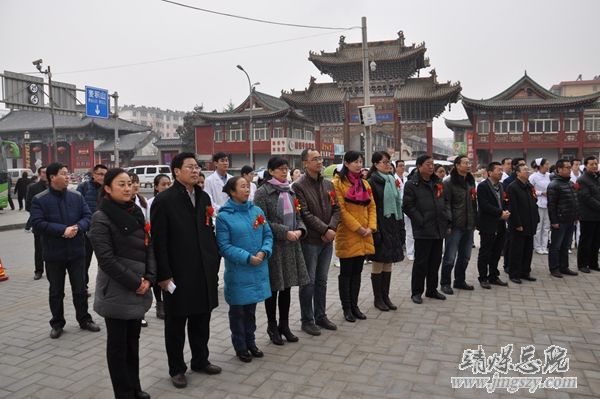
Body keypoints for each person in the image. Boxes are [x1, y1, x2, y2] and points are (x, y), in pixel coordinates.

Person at [151, 152, 222, 389]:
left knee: (202, 318)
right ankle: (177, 368)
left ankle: (200, 360)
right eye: (190, 167)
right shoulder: (164, 200)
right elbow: (158, 242)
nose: (195, 170)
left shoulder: (203, 198)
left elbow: (207, 230)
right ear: (176, 171)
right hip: (178, 273)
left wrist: (213, 260)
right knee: (176, 323)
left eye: (197, 166)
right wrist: (163, 275)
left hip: (203, 269)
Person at [88, 168, 154, 399]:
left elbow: (149, 246)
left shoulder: (136, 211)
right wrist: (136, 282)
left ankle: (135, 387)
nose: (127, 188)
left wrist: (150, 278)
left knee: (132, 343)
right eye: (121, 184)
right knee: (118, 347)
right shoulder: (101, 217)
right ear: (107, 188)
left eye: (129, 183)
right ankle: (123, 393)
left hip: (140, 287)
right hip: (117, 290)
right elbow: (106, 259)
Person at [30, 162, 100, 339]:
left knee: (80, 289)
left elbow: (88, 216)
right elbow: (37, 224)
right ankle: (57, 323)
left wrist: (77, 227)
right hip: (54, 254)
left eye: (67, 173)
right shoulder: (40, 199)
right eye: (63, 173)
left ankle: (84, 319)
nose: (68, 176)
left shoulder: (76, 196)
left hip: (77, 251)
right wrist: (62, 230)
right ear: (52, 177)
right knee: (56, 291)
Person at [215, 176, 273, 363]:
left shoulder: (257, 211)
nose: (247, 190)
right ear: (232, 192)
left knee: (251, 310)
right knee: (238, 311)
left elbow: (268, 234)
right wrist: (247, 257)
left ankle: (251, 342)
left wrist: (265, 251)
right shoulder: (224, 217)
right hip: (239, 272)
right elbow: (224, 246)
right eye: (242, 187)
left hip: (258, 269)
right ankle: (240, 346)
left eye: (248, 186)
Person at [254, 156, 309, 343]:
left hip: (292, 245)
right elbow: (262, 221)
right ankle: (271, 326)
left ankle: (284, 325)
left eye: (286, 168)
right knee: (274, 288)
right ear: (270, 171)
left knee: (287, 287)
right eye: (280, 169)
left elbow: (298, 214)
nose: (284, 172)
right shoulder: (262, 192)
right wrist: (286, 232)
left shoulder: (290, 191)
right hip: (274, 246)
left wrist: (301, 229)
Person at [293, 149, 340, 335]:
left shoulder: (328, 184)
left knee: (322, 280)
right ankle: (307, 319)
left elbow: (337, 209)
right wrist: (325, 230)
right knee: (309, 282)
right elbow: (304, 213)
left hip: (327, 241)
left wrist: (332, 229)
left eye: (320, 158)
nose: (319, 162)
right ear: (305, 163)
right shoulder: (298, 186)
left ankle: (321, 315)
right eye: (315, 159)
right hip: (311, 241)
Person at [332, 151, 376, 321]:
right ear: (346, 163)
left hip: (365, 233)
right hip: (348, 233)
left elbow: (372, 207)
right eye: (355, 162)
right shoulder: (338, 183)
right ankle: (347, 308)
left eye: (360, 161)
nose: (358, 164)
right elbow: (341, 210)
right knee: (346, 272)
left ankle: (355, 306)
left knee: (357, 272)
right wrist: (358, 228)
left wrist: (370, 227)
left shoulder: (364, 183)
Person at [403, 154, 449, 304]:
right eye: (428, 164)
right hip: (423, 230)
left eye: (432, 164)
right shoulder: (412, 184)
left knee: (435, 261)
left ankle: (432, 290)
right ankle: (416, 292)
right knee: (421, 263)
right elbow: (408, 206)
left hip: (438, 228)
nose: (431, 166)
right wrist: (421, 221)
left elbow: (445, 202)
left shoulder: (438, 182)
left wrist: (446, 220)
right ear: (419, 166)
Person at [367, 151, 404, 311]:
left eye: (389, 162)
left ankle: (385, 296)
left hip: (392, 225)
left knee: (388, 262)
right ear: (375, 164)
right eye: (384, 162)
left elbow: (398, 205)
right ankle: (378, 298)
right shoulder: (371, 182)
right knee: (378, 261)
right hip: (379, 226)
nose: (388, 165)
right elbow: (371, 208)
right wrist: (376, 229)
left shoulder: (391, 180)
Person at [440, 155, 477, 295]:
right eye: (465, 163)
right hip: (455, 225)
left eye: (469, 162)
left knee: (465, 256)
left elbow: (474, 203)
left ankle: (460, 280)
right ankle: (445, 283)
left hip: (469, 224)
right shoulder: (448, 182)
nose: (468, 165)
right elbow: (446, 204)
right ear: (457, 165)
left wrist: (475, 220)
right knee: (450, 256)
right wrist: (449, 223)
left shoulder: (470, 181)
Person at [476, 162, 510, 289]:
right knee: (485, 252)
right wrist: (500, 213)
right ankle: (483, 277)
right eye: (498, 170)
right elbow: (484, 205)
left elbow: (504, 201)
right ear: (490, 172)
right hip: (488, 224)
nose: (501, 172)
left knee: (496, 252)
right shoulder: (483, 186)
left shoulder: (501, 186)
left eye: (502, 170)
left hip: (500, 223)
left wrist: (506, 211)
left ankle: (493, 276)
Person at [77, 164, 108, 294]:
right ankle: (83, 286)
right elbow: (77, 208)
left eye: (105, 175)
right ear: (93, 174)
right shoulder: (83, 187)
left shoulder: (108, 189)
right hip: (87, 232)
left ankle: (106, 287)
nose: (102, 177)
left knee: (106, 261)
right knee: (85, 262)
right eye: (100, 174)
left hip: (104, 233)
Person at [507, 163, 539, 284]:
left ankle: (525, 272)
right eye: (524, 170)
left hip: (530, 222)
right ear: (518, 173)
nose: (527, 171)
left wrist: (536, 218)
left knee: (528, 249)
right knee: (517, 250)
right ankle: (514, 273)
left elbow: (534, 202)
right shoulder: (513, 187)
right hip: (519, 224)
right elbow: (513, 207)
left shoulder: (529, 186)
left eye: (528, 170)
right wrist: (517, 223)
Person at [547, 159, 579, 278]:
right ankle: (554, 268)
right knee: (556, 246)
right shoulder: (554, 185)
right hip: (560, 221)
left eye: (570, 167)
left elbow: (574, 201)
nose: (570, 170)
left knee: (566, 245)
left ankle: (564, 267)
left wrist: (576, 216)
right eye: (567, 168)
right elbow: (551, 205)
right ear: (559, 169)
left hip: (570, 219)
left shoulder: (570, 183)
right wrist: (554, 221)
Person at [147, 173, 171, 320]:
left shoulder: (174, 201)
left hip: (170, 243)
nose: (167, 187)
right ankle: (159, 304)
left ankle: (169, 302)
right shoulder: (150, 203)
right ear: (156, 187)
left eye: (169, 184)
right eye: (163, 184)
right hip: (154, 242)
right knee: (158, 275)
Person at [502, 157, 526, 274]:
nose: (525, 169)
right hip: (511, 214)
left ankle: (521, 265)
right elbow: (507, 200)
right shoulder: (508, 182)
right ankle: (507, 264)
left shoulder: (527, 182)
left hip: (524, 216)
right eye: (522, 166)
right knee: (510, 241)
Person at [576, 156, 600, 273]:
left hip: (597, 215)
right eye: (592, 164)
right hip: (587, 215)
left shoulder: (597, 178)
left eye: (596, 163)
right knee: (586, 240)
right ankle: (582, 264)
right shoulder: (582, 180)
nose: (594, 166)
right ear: (586, 165)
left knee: (596, 241)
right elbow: (586, 198)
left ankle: (593, 263)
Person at [26, 165, 47, 280]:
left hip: (52, 224)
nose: (45, 174)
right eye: (43, 172)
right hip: (39, 223)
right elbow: (28, 206)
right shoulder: (33, 188)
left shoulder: (53, 187)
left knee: (53, 247)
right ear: (39, 174)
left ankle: (52, 269)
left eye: (47, 172)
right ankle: (38, 270)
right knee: (39, 248)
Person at [529, 158, 551, 255]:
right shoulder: (533, 177)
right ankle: (537, 246)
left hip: (548, 203)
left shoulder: (550, 176)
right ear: (540, 166)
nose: (548, 166)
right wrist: (541, 193)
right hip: (538, 203)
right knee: (538, 226)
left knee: (546, 227)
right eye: (546, 164)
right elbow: (530, 190)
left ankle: (544, 246)